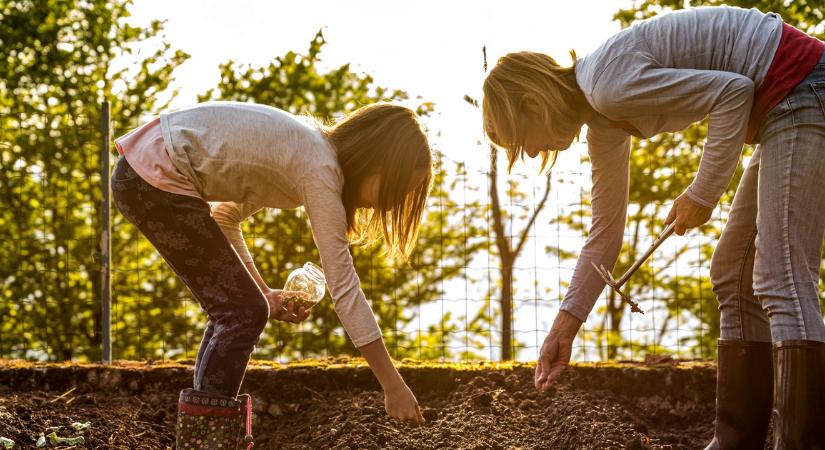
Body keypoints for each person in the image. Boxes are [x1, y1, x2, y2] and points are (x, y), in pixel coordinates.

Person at [481, 6, 825, 449]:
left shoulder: (607, 87)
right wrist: (563, 329)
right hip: (784, 102)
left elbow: (733, 94)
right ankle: (737, 441)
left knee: (781, 274)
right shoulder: (601, 117)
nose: (529, 154)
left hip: (803, 88)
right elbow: (604, 233)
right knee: (731, 274)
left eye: (520, 140)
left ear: (532, 104)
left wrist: (701, 195)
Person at [112, 101, 430, 449]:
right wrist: (392, 385)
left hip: (146, 169)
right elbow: (344, 287)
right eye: (395, 190)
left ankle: (204, 439)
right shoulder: (319, 167)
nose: (388, 205)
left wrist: (264, 293)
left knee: (240, 309)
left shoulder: (305, 151)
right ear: (376, 160)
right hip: (154, 175)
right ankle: (205, 444)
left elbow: (225, 218)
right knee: (239, 312)